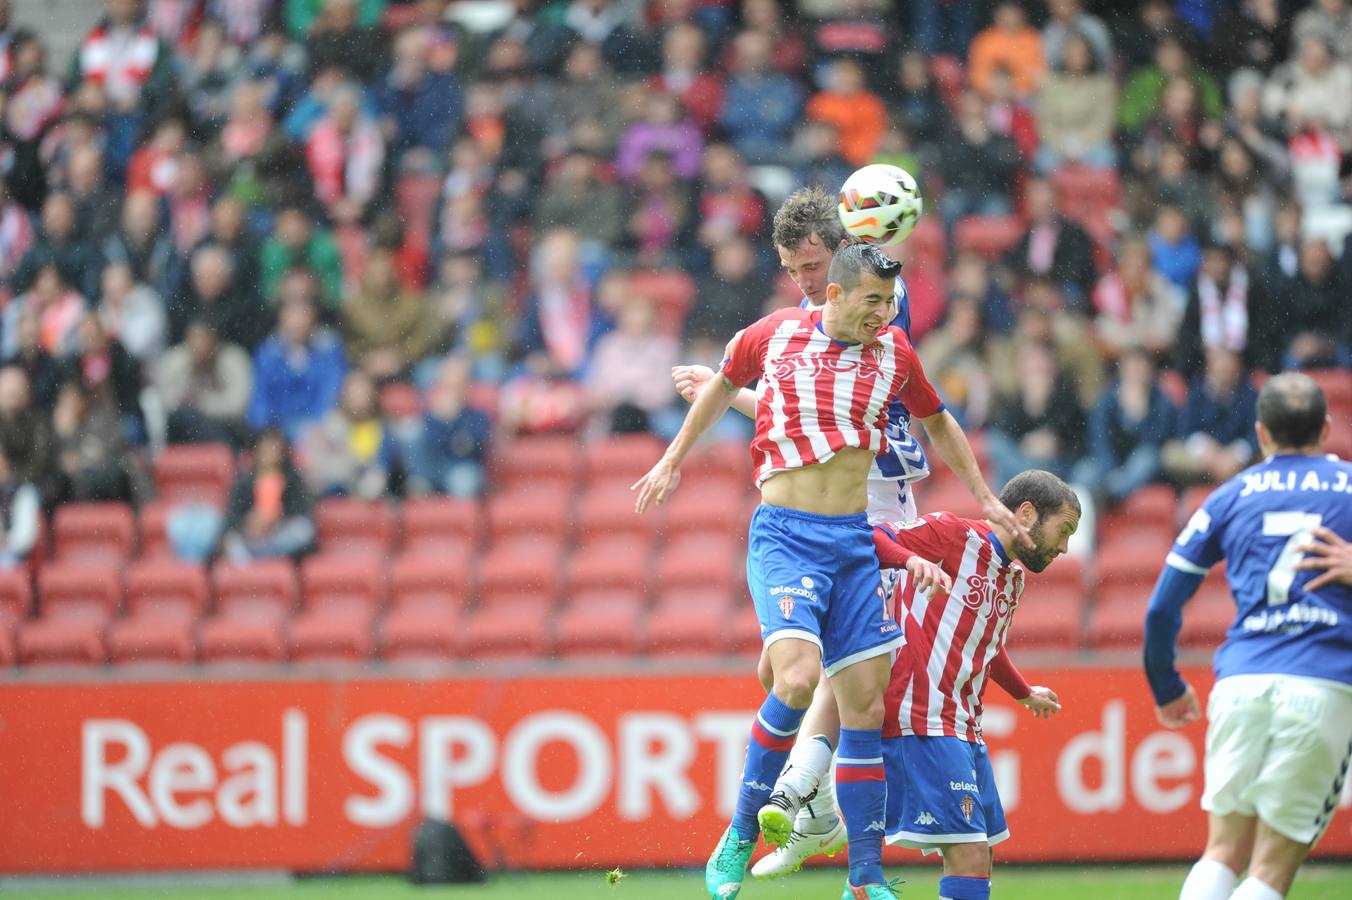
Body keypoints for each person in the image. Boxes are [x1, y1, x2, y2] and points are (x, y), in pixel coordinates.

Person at [640, 243, 1012, 900]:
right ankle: (740, 834)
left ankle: (864, 881)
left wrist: (984, 497)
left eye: (890, 302)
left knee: (864, 706)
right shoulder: (773, 335)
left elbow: (941, 423)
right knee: (795, 679)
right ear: (834, 297)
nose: (884, 313)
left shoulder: (895, 354)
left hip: (854, 542)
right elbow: (722, 389)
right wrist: (672, 459)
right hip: (787, 537)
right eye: (872, 300)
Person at [1143, 373, 1352, 900]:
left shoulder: (1229, 495)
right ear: (1327, 429)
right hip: (1322, 683)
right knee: (1270, 870)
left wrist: (1166, 685)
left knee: (1222, 851)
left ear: (1261, 434)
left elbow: (1163, 606)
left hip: (1241, 682)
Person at [872, 469, 1078, 900]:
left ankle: (829, 827)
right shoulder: (953, 535)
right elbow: (869, 536)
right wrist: (911, 561)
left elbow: (987, 644)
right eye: (1063, 531)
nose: (1064, 547)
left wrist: (1023, 691)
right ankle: (820, 819)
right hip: (922, 717)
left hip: (965, 725)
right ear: (1026, 514)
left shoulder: (1012, 577)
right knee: (967, 853)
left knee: (980, 854)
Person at [219, 427, 315, 563]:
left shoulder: (293, 480)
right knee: (230, 539)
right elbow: (232, 517)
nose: (269, 453)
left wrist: (276, 519)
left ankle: (254, 555)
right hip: (251, 535)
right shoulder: (244, 483)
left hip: (281, 534)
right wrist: (248, 523)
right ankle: (254, 554)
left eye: (273, 448)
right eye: (264, 448)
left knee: (302, 531)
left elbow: (303, 512)